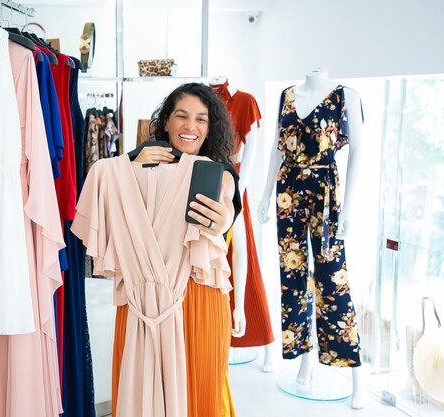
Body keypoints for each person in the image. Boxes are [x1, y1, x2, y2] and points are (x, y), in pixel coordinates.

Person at [111, 82, 245, 417]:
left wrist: (220, 222)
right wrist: (129, 162)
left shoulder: (220, 173)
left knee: (198, 389)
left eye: (201, 119)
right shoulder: (136, 164)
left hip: (199, 300)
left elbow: (229, 222)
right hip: (144, 298)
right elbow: (101, 200)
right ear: (166, 122)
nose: (191, 126)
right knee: (140, 391)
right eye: (181, 116)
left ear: (210, 127)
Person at [258, 67, 365, 409]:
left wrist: (348, 208)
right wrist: (264, 194)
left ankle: (354, 372)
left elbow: (358, 151)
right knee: (292, 277)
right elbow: (278, 148)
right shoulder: (286, 95)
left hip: (325, 190)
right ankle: (304, 356)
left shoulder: (345, 95)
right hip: (287, 189)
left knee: (332, 280)